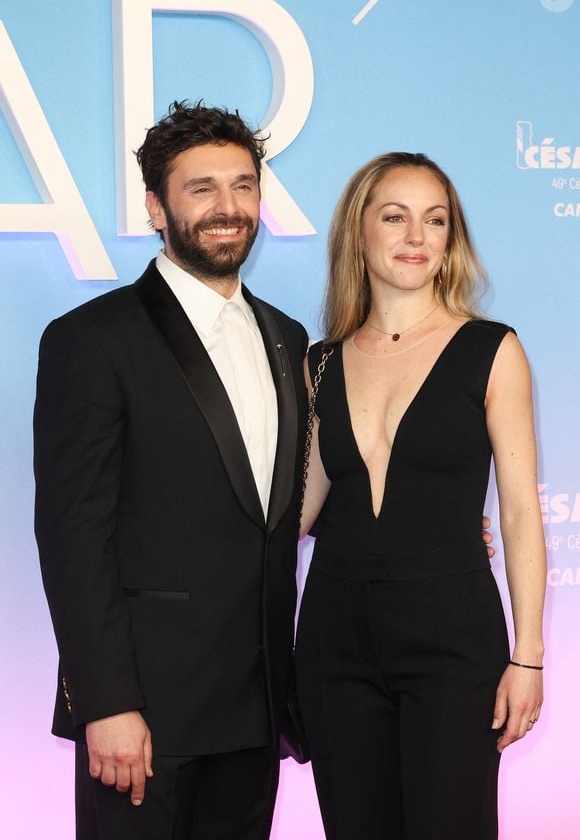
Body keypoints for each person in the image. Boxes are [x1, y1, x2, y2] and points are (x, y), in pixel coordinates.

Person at [33, 101, 309, 839]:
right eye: (202, 188)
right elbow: (72, 535)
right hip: (144, 718)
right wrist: (106, 700)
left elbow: (276, 509)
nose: (229, 208)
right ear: (157, 207)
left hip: (255, 714)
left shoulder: (289, 336)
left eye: (244, 186)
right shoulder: (92, 340)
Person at [296, 152, 546, 840]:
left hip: (451, 637)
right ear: (360, 232)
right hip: (334, 637)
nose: (416, 235)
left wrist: (528, 654)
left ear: (450, 238)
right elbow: (302, 505)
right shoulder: (321, 360)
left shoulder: (493, 350)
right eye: (395, 216)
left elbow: (522, 512)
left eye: (434, 219)